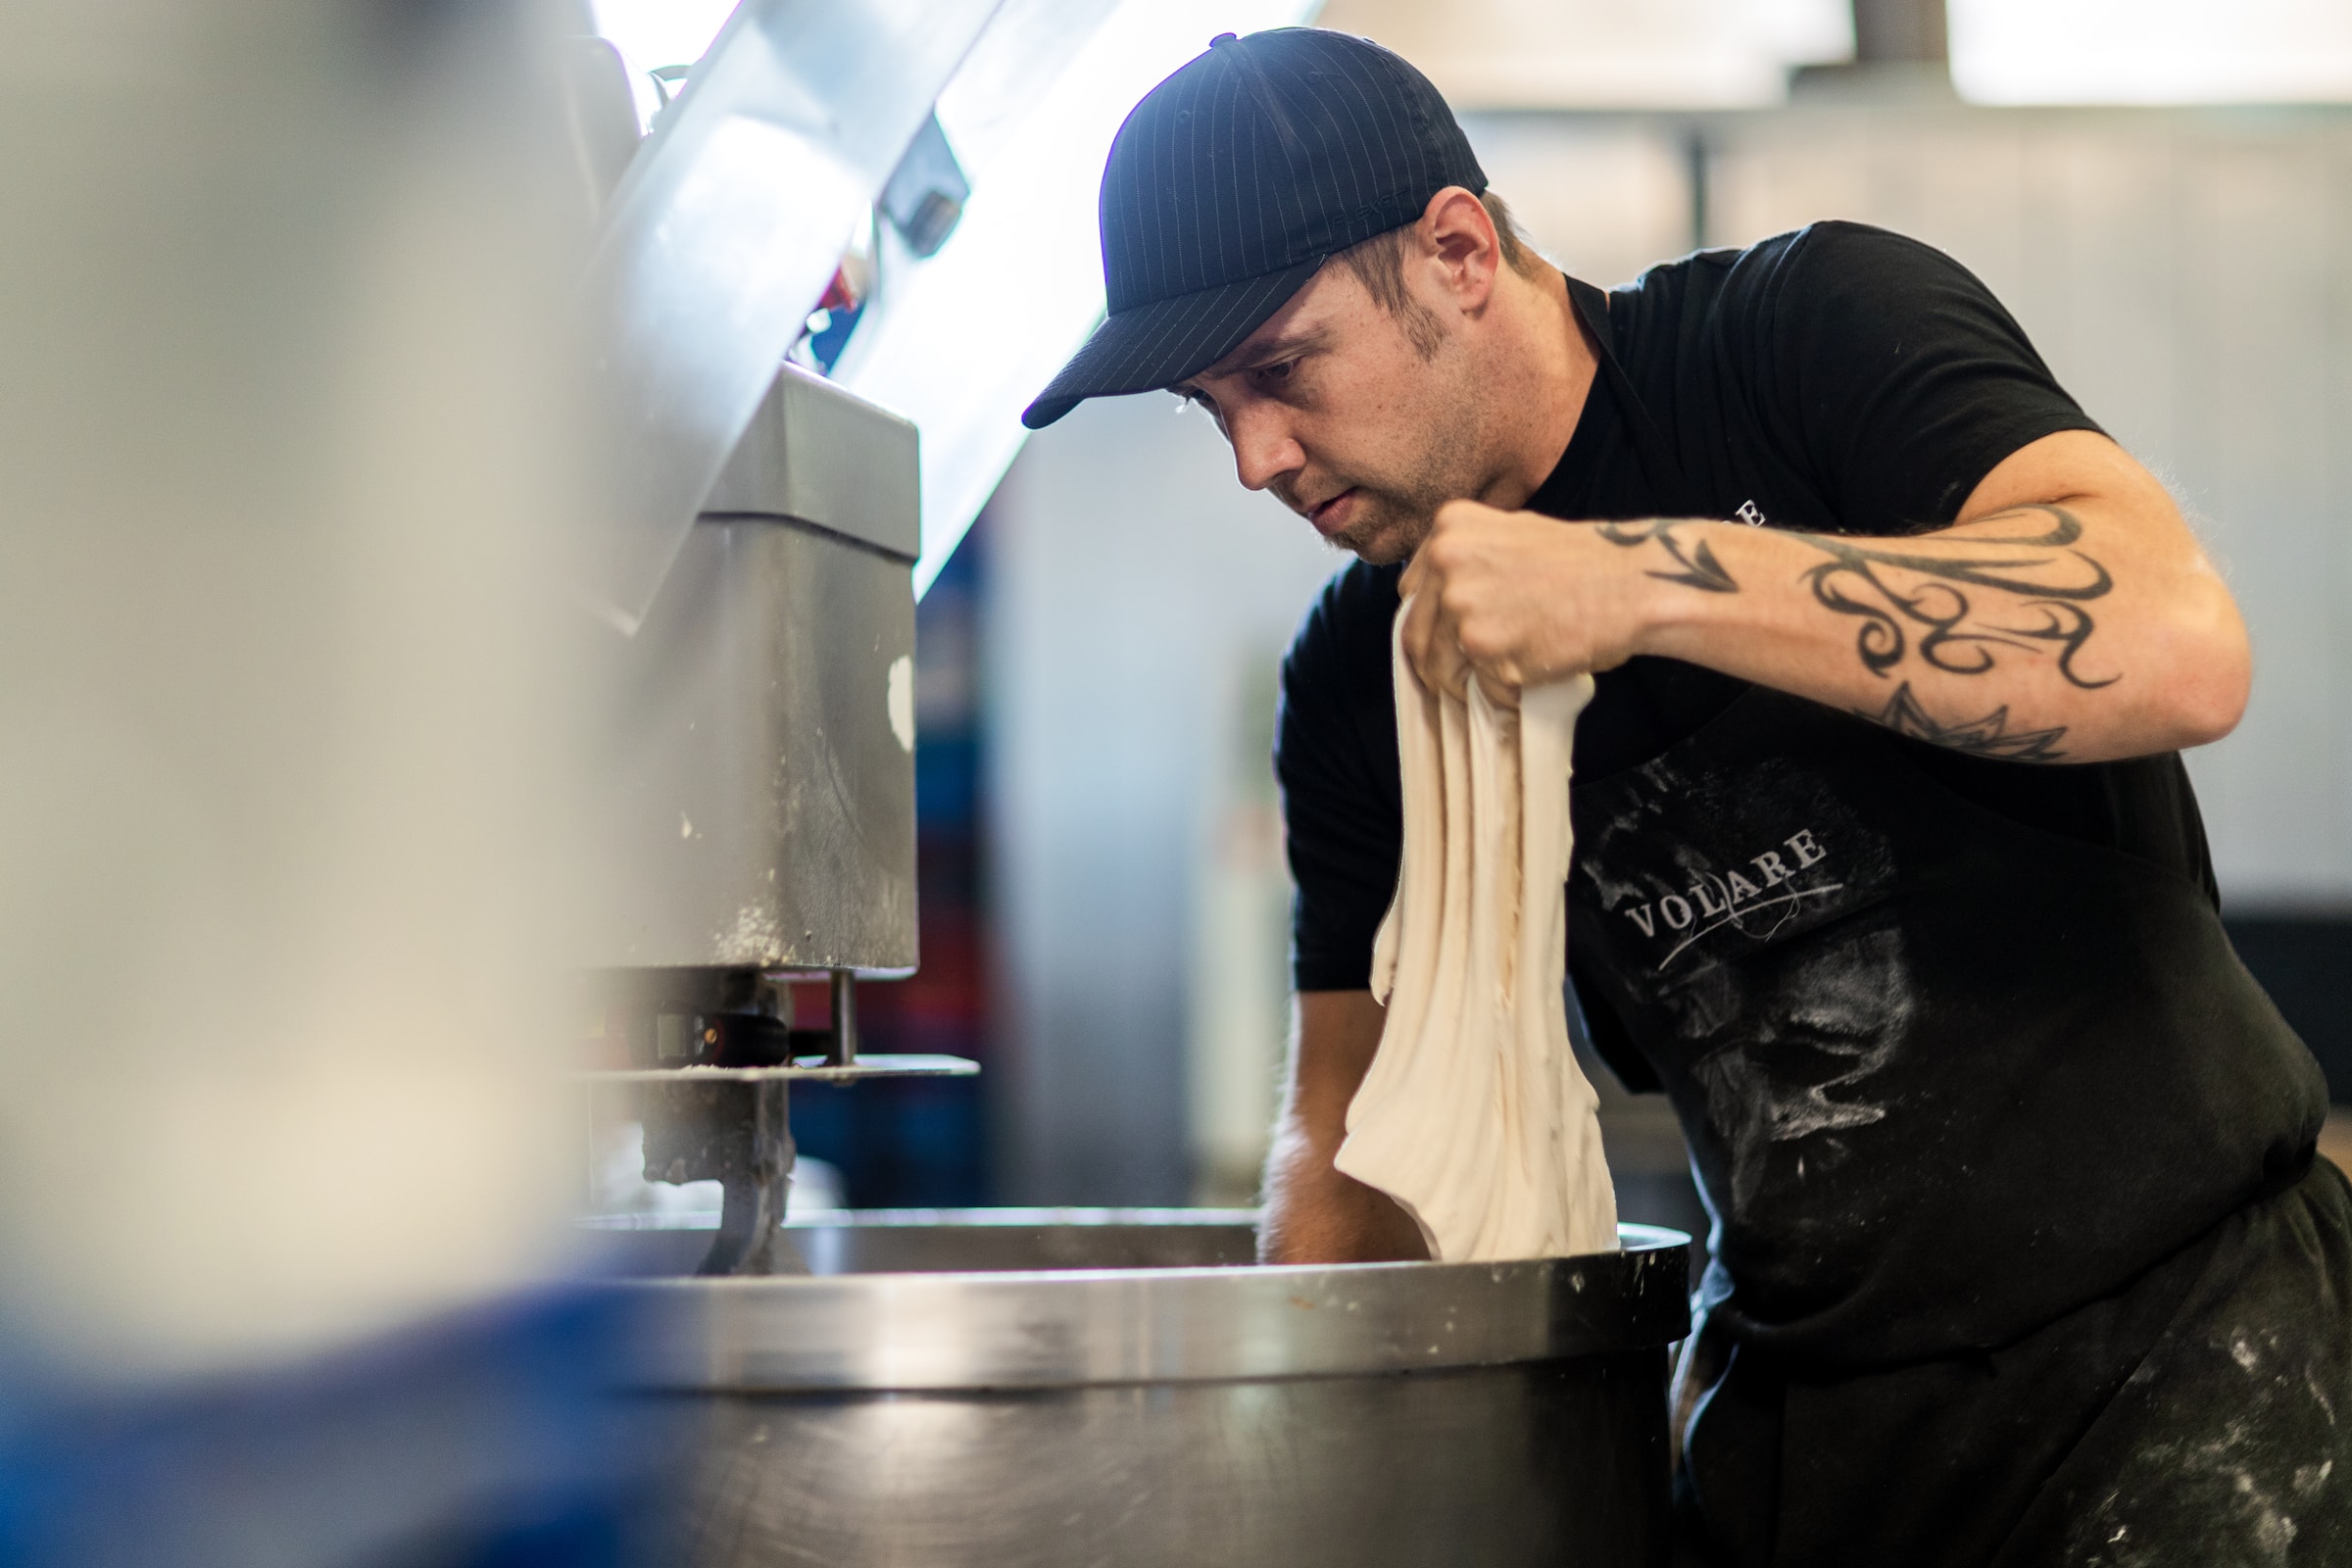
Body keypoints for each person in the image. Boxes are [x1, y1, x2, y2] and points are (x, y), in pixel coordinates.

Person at [1022, 25, 2352, 1567]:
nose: (1255, 456)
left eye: (1278, 369)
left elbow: (2177, 643)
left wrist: (1635, 577)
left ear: (1458, 252)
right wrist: (1293, 1447)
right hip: (1807, 1437)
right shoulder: (1362, 681)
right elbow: (1346, 1131)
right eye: (1209, 406)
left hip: (2187, 1362)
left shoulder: (1800, 338)